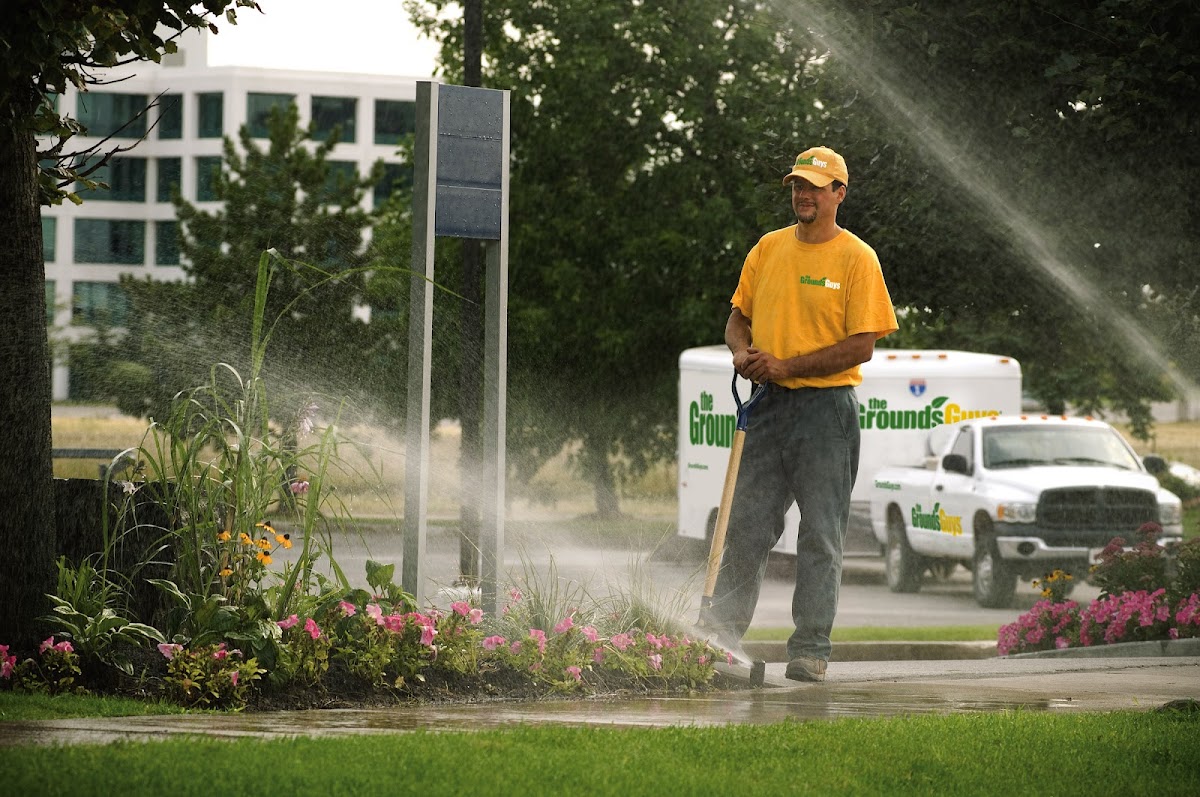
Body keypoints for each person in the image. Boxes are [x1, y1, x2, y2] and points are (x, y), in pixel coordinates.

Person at [709, 146, 897, 682]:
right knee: (745, 526)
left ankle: (810, 650)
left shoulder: (857, 259)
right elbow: (736, 319)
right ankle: (720, 640)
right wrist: (741, 352)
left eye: (816, 186)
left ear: (840, 192)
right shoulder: (767, 249)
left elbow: (862, 346)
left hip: (825, 413)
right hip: (767, 409)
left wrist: (787, 365)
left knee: (820, 535)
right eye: (797, 185)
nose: (804, 194)